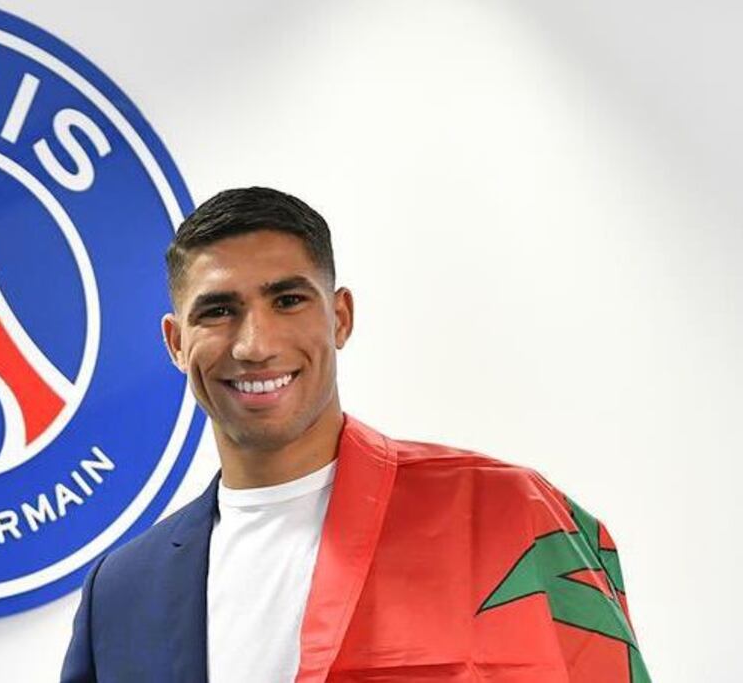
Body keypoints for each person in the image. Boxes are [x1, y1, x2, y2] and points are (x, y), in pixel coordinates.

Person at [60, 187, 649, 682]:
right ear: (175, 342)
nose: (255, 345)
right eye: (217, 311)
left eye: (288, 300)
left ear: (339, 317)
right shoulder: (121, 592)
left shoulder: (504, 514)